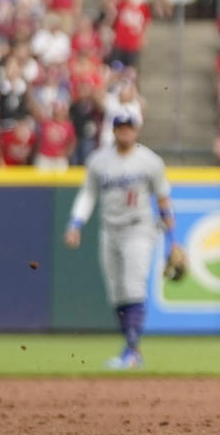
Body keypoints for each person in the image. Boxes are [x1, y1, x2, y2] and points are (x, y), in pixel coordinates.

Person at [63, 115, 174, 369]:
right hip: (109, 230)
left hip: (139, 228)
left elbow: (163, 199)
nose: (125, 132)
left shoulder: (150, 161)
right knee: (117, 292)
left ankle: (132, 351)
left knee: (133, 286)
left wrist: (172, 241)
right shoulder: (98, 161)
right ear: (113, 130)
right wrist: (75, 223)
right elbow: (88, 193)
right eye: (120, 127)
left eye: (129, 127)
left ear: (136, 130)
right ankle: (130, 347)